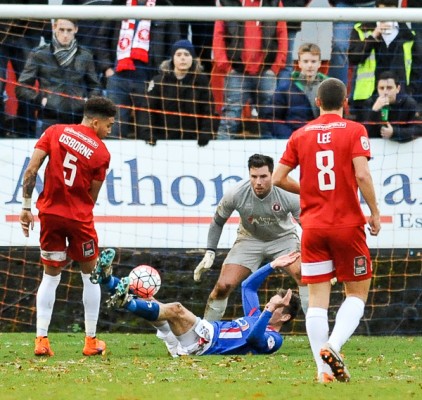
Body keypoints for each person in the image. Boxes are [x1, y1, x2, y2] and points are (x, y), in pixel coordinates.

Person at [272, 78, 381, 383]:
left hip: (314, 228)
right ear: (345, 102)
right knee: (357, 293)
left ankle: (323, 373)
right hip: (347, 225)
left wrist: (308, 191)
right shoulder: (355, 130)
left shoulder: (300, 134)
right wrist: (374, 212)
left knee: (318, 299)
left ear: (317, 102)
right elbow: (362, 174)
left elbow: (278, 178)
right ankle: (333, 346)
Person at [19, 96, 117, 357]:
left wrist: (26, 208)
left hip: (49, 215)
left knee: (50, 277)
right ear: (95, 122)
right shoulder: (101, 152)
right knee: (90, 276)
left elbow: (31, 170)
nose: (109, 131)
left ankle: (41, 340)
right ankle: (90, 341)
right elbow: (92, 197)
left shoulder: (54, 131)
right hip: (78, 219)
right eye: (108, 126)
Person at [94, 249, 301, 356]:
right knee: (154, 303)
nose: (270, 303)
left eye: (278, 305)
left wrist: (269, 309)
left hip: (206, 344)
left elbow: (255, 339)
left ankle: (125, 301)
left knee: (175, 309)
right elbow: (247, 286)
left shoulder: (275, 338)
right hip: (203, 334)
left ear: (284, 316)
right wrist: (273, 265)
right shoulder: (256, 315)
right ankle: (107, 280)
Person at [193, 154, 308, 322]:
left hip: (283, 239)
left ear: (272, 174)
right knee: (223, 286)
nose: (258, 182)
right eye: (254, 177)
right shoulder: (236, 193)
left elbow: (307, 226)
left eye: (263, 176)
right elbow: (217, 221)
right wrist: (210, 251)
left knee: (304, 275)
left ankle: (317, 335)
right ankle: (205, 336)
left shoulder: (288, 194)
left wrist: (319, 257)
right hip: (249, 240)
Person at [105, 0, 181, 139]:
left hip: (148, 78)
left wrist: (161, 76)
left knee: (147, 129)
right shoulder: (119, 3)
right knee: (115, 128)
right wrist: (107, 67)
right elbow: (102, 37)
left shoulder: (164, 5)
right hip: (117, 78)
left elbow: (173, 44)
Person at [213, 0, 287, 139]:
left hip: (266, 72)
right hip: (237, 71)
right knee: (230, 119)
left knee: (270, 120)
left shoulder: (274, 3)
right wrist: (226, 66)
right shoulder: (227, 2)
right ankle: (221, 157)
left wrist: (276, 67)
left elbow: (282, 33)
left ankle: (273, 158)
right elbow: (219, 35)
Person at [16, 18, 102, 136]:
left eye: (69, 30)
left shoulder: (85, 55)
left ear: (76, 30)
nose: (65, 35)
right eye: (61, 30)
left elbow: (95, 86)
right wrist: (40, 99)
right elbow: (21, 87)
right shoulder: (40, 54)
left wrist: (87, 102)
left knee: (76, 155)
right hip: (49, 118)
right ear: (54, 28)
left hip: (79, 119)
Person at [347, 0, 422, 120]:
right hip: (366, 99)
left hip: (399, 99)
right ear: (376, 9)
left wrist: (409, 92)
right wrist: (373, 36)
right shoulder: (362, 29)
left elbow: (416, 70)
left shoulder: (409, 35)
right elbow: (353, 58)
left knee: (397, 133)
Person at [139, 39, 215, 146]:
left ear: (192, 58)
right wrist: (148, 133)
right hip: (163, 141)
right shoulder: (159, 81)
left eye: (186, 54)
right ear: (172, 58)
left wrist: (206, 133)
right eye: (178, 54)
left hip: (193, 142)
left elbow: (208, 110)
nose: (182, 58)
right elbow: (147, 110)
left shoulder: (201, 81)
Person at [266, 43, 328, 139]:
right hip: (294, 139)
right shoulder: (286, 87)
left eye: (313, 61)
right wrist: (290, 136)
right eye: (306, 61)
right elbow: (272, 117)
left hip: (322, 139)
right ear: (299, 63)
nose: (310, 65)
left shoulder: (328, 87)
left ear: (319, 63)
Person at [327, 0, 376, 86]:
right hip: (344, 4)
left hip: (374, 5)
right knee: (339, 45)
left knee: (376, 44)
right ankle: (336, 93)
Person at [364, 70, 422, 142]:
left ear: (398, 89)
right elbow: (364, 133)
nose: (385, 92)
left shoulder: (408, 103)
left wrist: (394, 132)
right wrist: (374, 111)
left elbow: (419, 129)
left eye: (389, 88)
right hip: (376, 147)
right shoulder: (370, 103)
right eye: (381, 88)